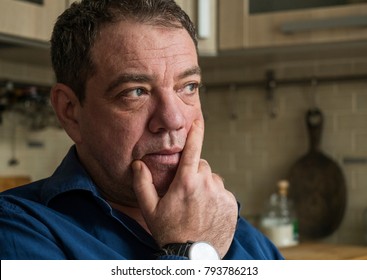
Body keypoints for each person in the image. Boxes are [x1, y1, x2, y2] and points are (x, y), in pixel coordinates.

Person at [0, 0, 283, 260]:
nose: (173, 119)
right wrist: (189, 253)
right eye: (136, 92)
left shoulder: (233, 230)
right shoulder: (16, 230)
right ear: (70, 112)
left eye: (188, 87)